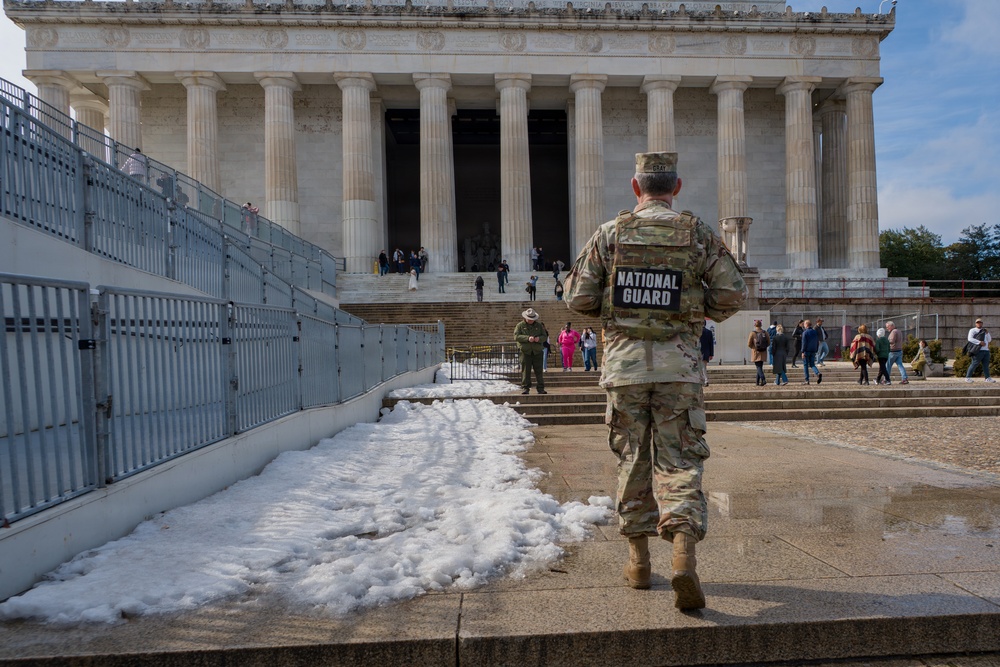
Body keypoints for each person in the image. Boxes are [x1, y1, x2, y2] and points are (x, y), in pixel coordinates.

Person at [563, 150, 747, 610]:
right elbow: (731, 292)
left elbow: (578, 298)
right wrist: (697, 310)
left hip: (624, 367)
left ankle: (639, 562)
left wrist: (615, 311)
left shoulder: (611, 233)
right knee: (680, 460)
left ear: (635, 186)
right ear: (677, 187)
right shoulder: (698, 233)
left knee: (632, 459)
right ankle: (683, 554)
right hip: (679, 368)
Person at [513, 308, 547, 395]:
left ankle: (540, 388)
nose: (531, 320)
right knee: (525, 371)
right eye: (529, 319)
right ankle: (525, 388)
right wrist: (527, 338)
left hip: (537, 351)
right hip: (525, 351)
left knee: (539, 371)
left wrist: (539, 339)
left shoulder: (539, 326)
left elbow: (544, 336)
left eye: (532, 319)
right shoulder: (520, 325)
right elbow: (516, 336)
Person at [966, 318, 996, 383]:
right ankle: (968, 377)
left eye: (980, 322)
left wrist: (987, 333)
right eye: (977, 322)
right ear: (975, 324)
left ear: (982, 323)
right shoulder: (973, 330)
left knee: (986, 365)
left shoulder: (984, 331)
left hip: (986, 350)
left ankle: (987, 378)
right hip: (978, 350)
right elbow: (970, 338)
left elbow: (989, 340)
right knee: (974, 364)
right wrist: (979, 342)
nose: (979, 324)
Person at [747, 319, 770, 386]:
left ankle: (763, 379)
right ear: (761, 325)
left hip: (755, 352)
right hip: (763, 352)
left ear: (755, 325)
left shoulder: (752, 333)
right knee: (760, 366)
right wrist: (764, 347)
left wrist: (754, 348)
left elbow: (748, 344)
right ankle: (757, 382)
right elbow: (768, 342)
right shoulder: (765, 332)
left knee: (758, 367)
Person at [800, 319, 821, 384]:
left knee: (805, 365)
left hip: (806, 351)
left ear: (806, 325)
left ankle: (807, 380)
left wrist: (802, 351)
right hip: (813, 350)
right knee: (812, 364)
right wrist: (816, 349)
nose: (803, 325)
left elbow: (804, 343)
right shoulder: (814, 332)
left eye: (804, 324)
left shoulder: (805, 333)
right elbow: (817, 341)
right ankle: (817, 373)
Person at [699, 322, 714, 387]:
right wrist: (711, 354)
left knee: (698, 367)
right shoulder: (709, 332)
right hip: (706, 352)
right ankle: (705, 380)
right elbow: (711, 344)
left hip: (698, 351)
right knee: (704, 367)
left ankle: (703, 380)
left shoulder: (697, 332)